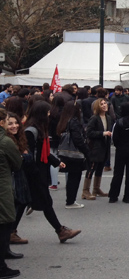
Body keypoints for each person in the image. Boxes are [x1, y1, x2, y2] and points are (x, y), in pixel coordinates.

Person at [22, 101, 81, 242]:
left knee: (24, 202)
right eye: (47, 113)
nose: (50, 115)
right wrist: (36, 172)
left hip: (38, 171)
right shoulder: (32, 131)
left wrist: (56, 162)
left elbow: (43, 152)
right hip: (35, 172)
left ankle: (12, 231)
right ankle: (60, 231)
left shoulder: (38, 129)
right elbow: (29, 155)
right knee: (45, 202)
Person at [0, 109, 23, 279]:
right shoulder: (5, 141)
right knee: (5, 222)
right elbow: (17, 163)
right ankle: (1, 267)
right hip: (3, 186)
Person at [56, 101, 90, 209]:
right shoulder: (74, 121)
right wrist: (86, 151)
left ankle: (70, 200)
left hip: (66, 152)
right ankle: (71, 201)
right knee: (75, 177)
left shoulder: (64, 120)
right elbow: (78, 139)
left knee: (71, 176)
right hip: (75, 153)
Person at [6, 112, 30, 245]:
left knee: (22, 202)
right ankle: (10, 233)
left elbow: (27, 156)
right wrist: (23, 156)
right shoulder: (7, 141)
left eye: (16, 123)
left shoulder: (20, 137)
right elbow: (17, 160)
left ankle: (11, 232)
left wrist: (24, 156)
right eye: (10, 124)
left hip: (19, 176)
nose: (14, 126)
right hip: (11, 177)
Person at [85, 98, 113, 199]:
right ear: (97, 106)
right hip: (95, 148)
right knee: (91, 168)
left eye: (105, 103)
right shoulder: (94, 118)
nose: (104, 105)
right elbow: (89, 132)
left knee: (100, 168)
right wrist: (103, 133)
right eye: (102, 104)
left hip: (104, 146)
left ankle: (96, 188)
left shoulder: (108, 117)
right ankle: (85, 191)